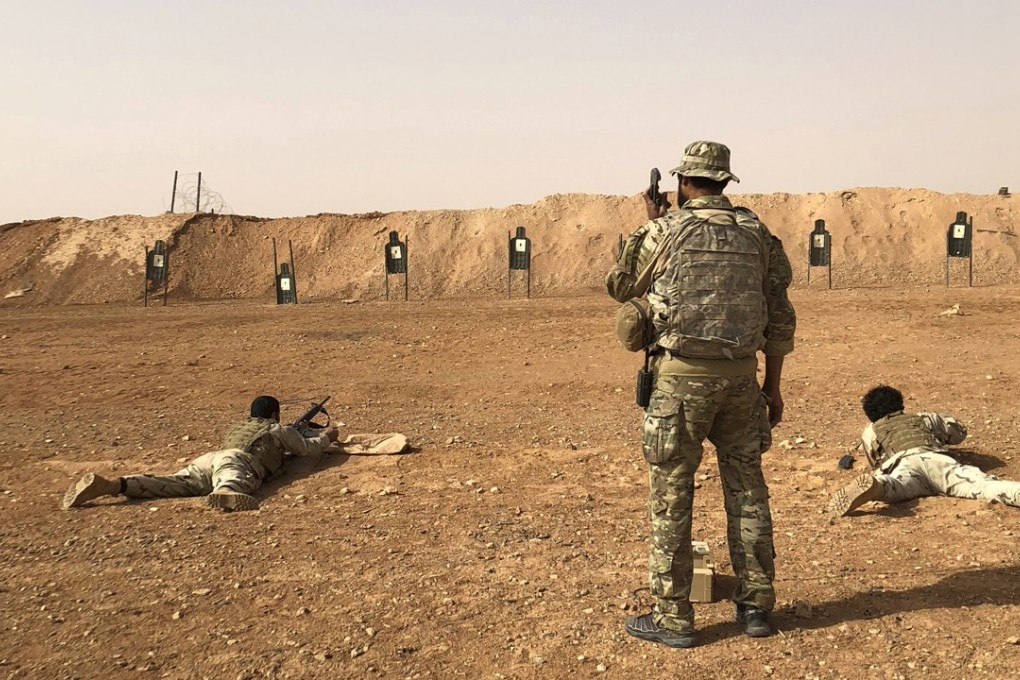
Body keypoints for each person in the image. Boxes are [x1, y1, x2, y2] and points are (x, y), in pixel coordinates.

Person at [608, 141, 796, 648]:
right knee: (748, 491)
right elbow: (780, 316)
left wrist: (650, 224)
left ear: (682, 183)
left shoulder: (662, 231)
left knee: (672, 498)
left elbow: (620, 287)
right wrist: (772, 387)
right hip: (742, 382)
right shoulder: (757, 233)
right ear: (725, 181)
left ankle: (674, 619)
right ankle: (756, 606)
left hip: (679, 385)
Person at [62, 395, 339, 512]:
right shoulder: (278, 429)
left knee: (171, 483)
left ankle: (116, 485)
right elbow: (306, 448)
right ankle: (226, 493)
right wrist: (327, 436)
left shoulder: (238, 426)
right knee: (233, 482)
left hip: (209, 460)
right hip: (236, 463)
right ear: (275, 414)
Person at [830, 385, 1020, 518]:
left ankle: (877, 487)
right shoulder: (923, 418)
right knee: (981, 486)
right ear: (900, 404)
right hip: (935, 460)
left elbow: (876, 462)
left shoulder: (870, 432)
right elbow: (958, 432)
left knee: (895, 487)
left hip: (901, 466)